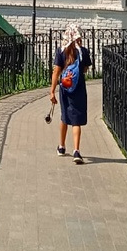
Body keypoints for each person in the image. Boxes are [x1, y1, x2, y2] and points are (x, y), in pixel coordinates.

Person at [50, 23, 93, 164]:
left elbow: (56, 72)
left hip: (65, 88)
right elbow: (85, 69)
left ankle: (61, 147)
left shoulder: (61, 51)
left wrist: (52, 92)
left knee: (65, 116)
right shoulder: (84, 52)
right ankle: (76, 151)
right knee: (76, 120)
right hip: (79, 88)